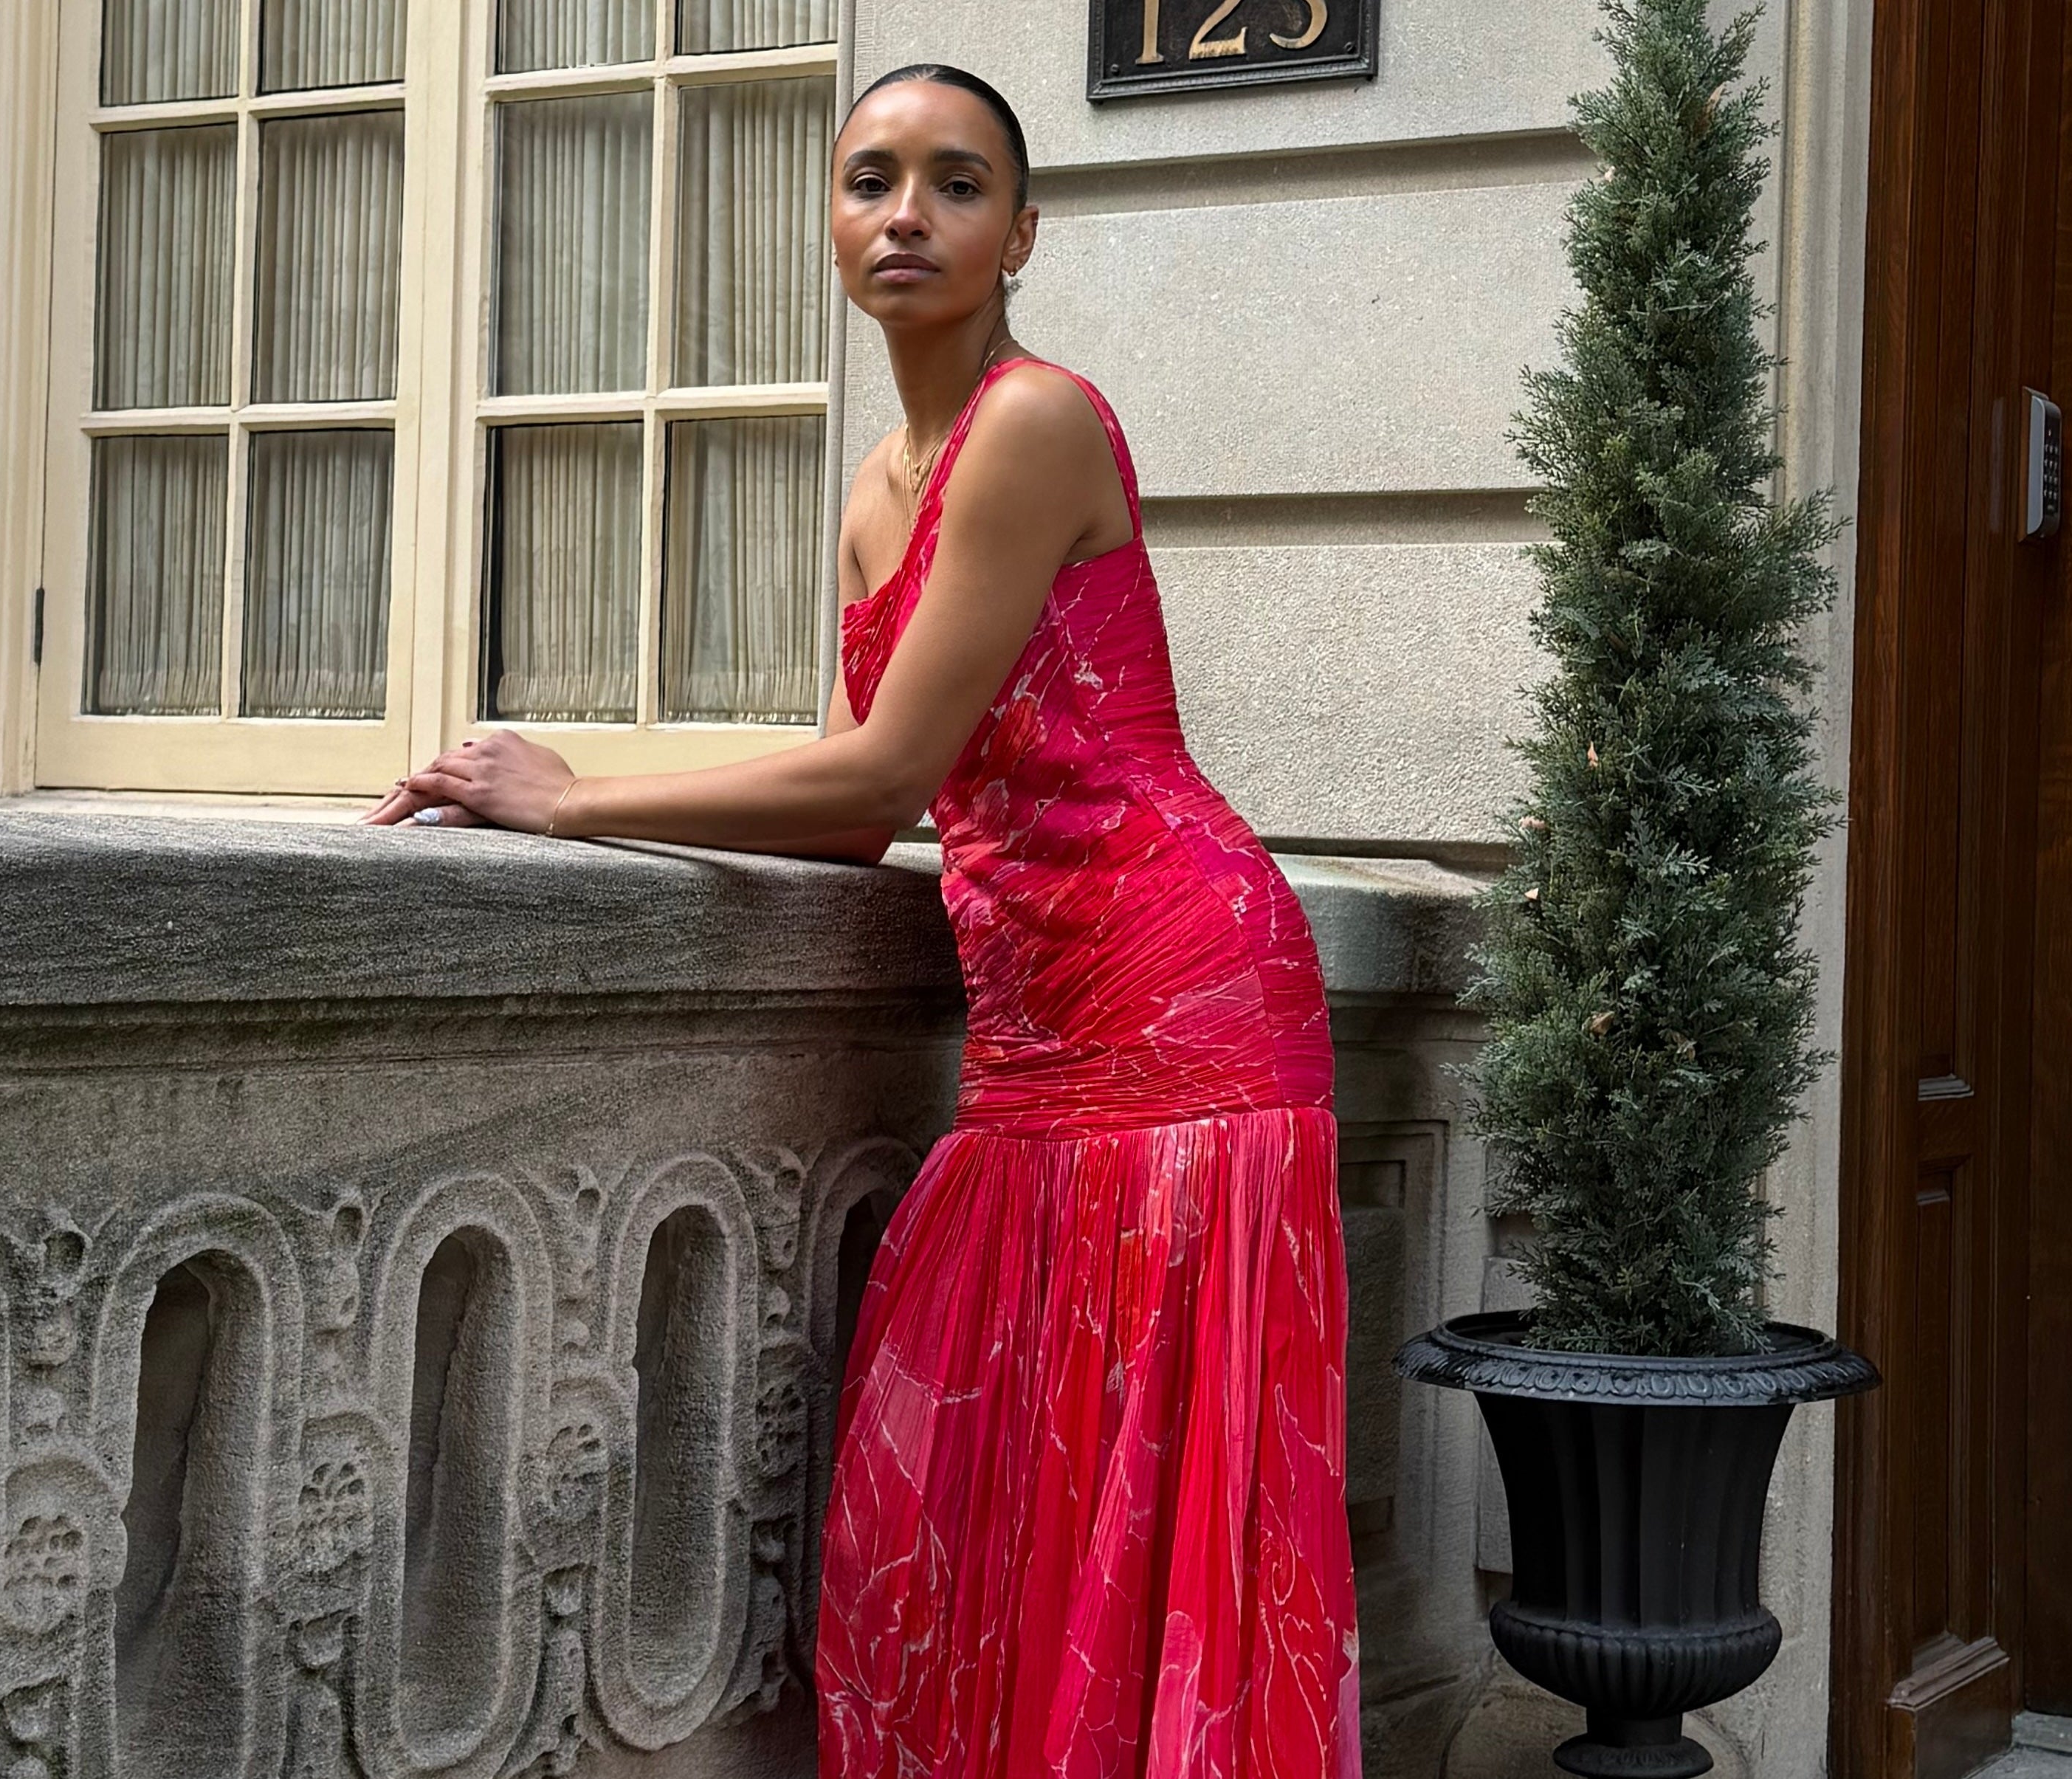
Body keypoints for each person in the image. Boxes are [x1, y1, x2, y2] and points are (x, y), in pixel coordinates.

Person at [364, 62, 1362, 1779]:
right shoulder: (871, 488)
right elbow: (864, 809)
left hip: (1183, 996)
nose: (908, 213)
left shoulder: (1038, 419)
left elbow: (891, 749)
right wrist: (563, 799)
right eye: (872, 179)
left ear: (1021, 231)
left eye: (957, 184)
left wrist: (575, 801)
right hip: (1036, 1033)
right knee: (961, 1501)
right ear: (832, 226)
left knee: (1148, 1513)